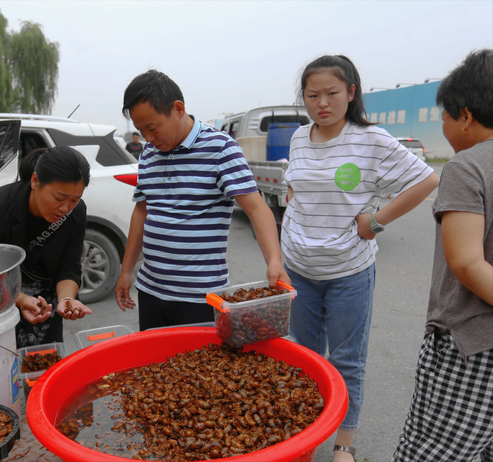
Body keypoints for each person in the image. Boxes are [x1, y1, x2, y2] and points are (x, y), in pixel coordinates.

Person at [281, 55, 440, 462]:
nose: (322, 103)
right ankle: (308, 435)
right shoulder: (300, 137)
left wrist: (376, 221)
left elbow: (427, 179)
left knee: (347, 359)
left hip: (348, 271)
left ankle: (343, 443)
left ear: (351, 93)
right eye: (312, 94)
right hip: (298, 268)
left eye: (332, 93)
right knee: (304, 355)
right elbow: (294, 186)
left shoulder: (371, 140)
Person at [115, 69, 290, 331]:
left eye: (152, 128)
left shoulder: (221, 148)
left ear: (178, 109)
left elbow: (256, 208)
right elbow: (142, 211)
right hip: (151, 290)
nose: (148, 138)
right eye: (141, 130)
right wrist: (126, 271)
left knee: (196, 370)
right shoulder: (149, 153)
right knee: (156, 368)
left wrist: (274, 260)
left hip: (199, 297)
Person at [392, 49, 493, 462]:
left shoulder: (467, 166)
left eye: (444, 117)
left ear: (465, 116)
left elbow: (468, 263)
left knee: (433, 451)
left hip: (470, 343)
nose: (444, 126)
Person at [0, 146, 93, 347]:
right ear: (35, 181)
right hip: (0, 294)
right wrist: (19, 299)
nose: (65, 209)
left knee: (44, 356)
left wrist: (66, 300)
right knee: (4, 358)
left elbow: (69, 267)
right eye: (59, 198)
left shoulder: (76, 213)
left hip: (45, 297)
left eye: (75, 199)